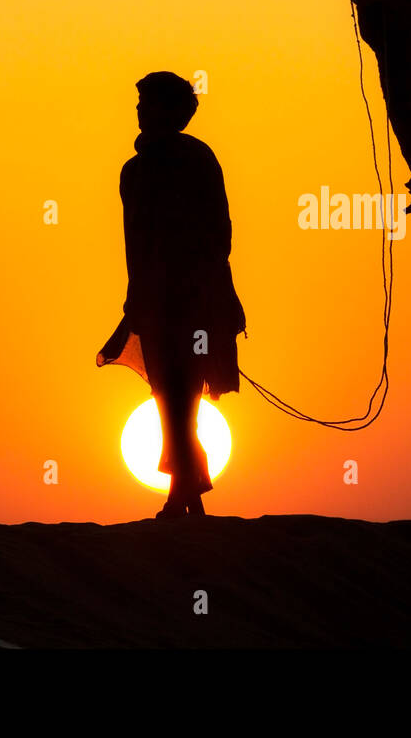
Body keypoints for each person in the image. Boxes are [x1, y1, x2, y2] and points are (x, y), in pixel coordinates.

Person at [97, 72, 245, 518]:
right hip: (152, 301)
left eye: (148, 102)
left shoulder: (195, 159)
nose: (140, 110)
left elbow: (219, 233)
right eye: (139, 101)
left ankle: (183, 495)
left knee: (183, 396)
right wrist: (137, 299)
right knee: (169, 397)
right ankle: (189, 495)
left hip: (195, 297)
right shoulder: (134, 170)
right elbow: (134, 245)